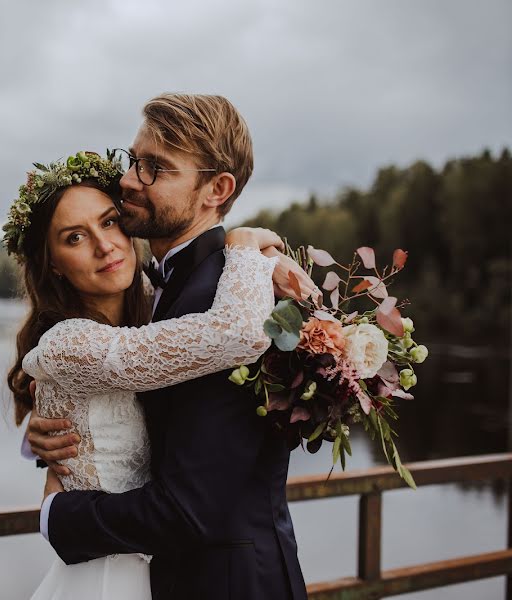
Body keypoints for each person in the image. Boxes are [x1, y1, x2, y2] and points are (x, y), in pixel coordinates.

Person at [23, 94, 312, 599]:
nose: (130, 180)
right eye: (134, 160)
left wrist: (58, 517)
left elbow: (190, 508)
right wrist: (47, 433)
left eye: (155, 168)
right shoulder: (161, 295)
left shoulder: (227, 292)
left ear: (216, 189)